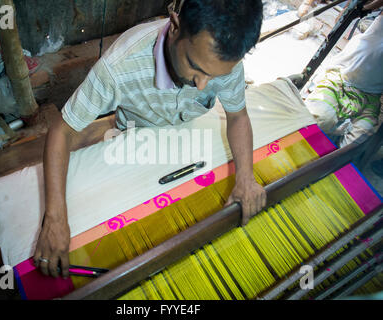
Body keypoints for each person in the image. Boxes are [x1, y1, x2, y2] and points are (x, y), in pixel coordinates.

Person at [34, 0, 266, 278]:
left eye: (215, 75)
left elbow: (238, 117)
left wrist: (245, 178)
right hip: (135, 141)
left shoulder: (222, 56)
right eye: (195, 67)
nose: (202, 84)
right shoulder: (119, 67)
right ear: (175, 28)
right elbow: (63, 130)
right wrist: (55, 217)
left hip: (185, 140)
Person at [304, 9, 382, 148]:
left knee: (356, 143)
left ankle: (331, 156)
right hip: (339, 80)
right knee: (319, 118)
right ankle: (334, 128)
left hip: (370, 98)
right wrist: (363, 8)